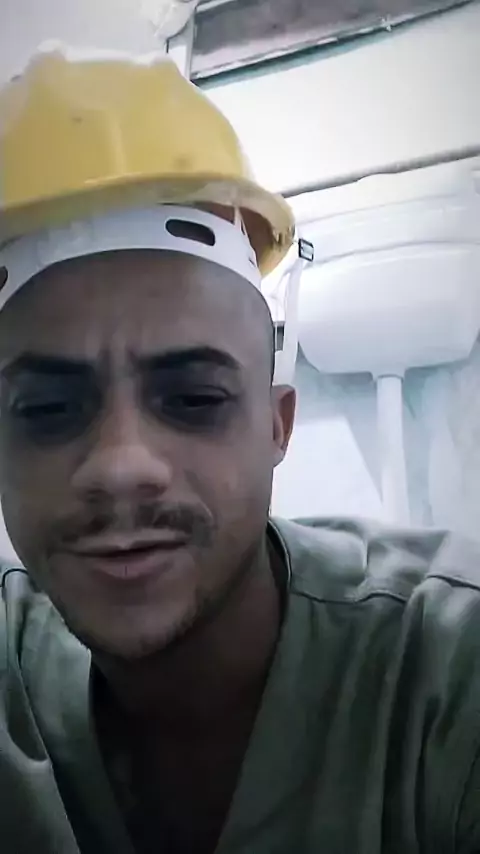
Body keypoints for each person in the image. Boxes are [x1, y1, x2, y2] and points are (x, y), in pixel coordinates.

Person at [0, 44, 479, 854]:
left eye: (193, 399)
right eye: (48, 409)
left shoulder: (446, 674)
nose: (122, 463)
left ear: (276, 425)